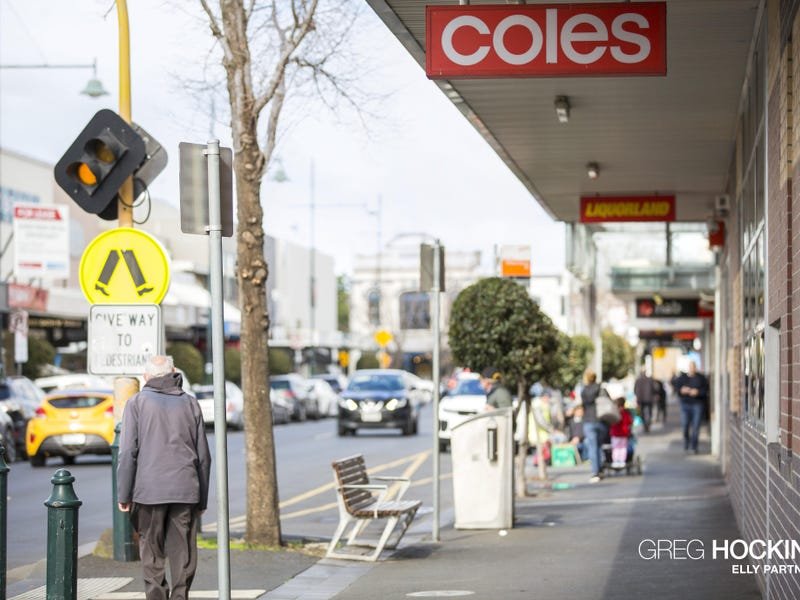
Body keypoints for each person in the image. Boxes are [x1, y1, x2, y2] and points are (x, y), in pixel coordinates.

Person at [117, 355, 211, 600]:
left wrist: (124, 494)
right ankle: (180, 596)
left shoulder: (136, 403)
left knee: (151, 551)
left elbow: (127, 452)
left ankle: (157, 596)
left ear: (146, 376)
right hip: (185, 489)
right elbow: (203, 456)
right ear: (174, 372)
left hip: (148, 491)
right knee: (184, 553)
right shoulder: (191, 404)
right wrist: (201, 500)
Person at [672, 360, 709, 454]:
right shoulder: (682, 378)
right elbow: (676, 389)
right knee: (685, 425)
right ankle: (686, 441)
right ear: (688, 368)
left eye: (693, 367)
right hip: (685, 404)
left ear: (695, 368)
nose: (692, 369)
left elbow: (706, 390)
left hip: (697, 404)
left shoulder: (701, 378)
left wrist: (697, 392)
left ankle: (694, 446)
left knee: (696, 426)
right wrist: (682, 390)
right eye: (690, 367)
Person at [579, 369, 607, 482]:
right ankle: (600, 468)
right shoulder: (601, 388)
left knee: (592, 446)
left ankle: (595, 472)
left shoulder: (584, 391)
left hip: (588, 421)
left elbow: (583, 405)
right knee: (598, 446)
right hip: (601, 420)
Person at [609, 398, 633, 468]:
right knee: (622, 448)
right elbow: (630, 422)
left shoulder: (614, 414)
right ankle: (621, 461)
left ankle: (616, 461)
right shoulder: (626, 413)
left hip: (616, 434)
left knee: (616, 448)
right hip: (623, 434)